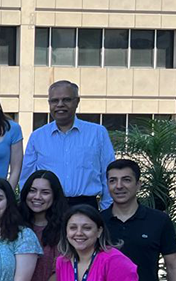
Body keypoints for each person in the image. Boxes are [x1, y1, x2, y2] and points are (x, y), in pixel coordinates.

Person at [19, 81, 115, 209]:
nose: (60, 105)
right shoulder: (37, 137)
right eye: (54, 101)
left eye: (66, 100)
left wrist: (106, 210)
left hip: (86, 207)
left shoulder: (97, 133)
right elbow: (27, 179)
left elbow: (108, 174)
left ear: (77, 102)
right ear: (49, 104)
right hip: (49, 209)